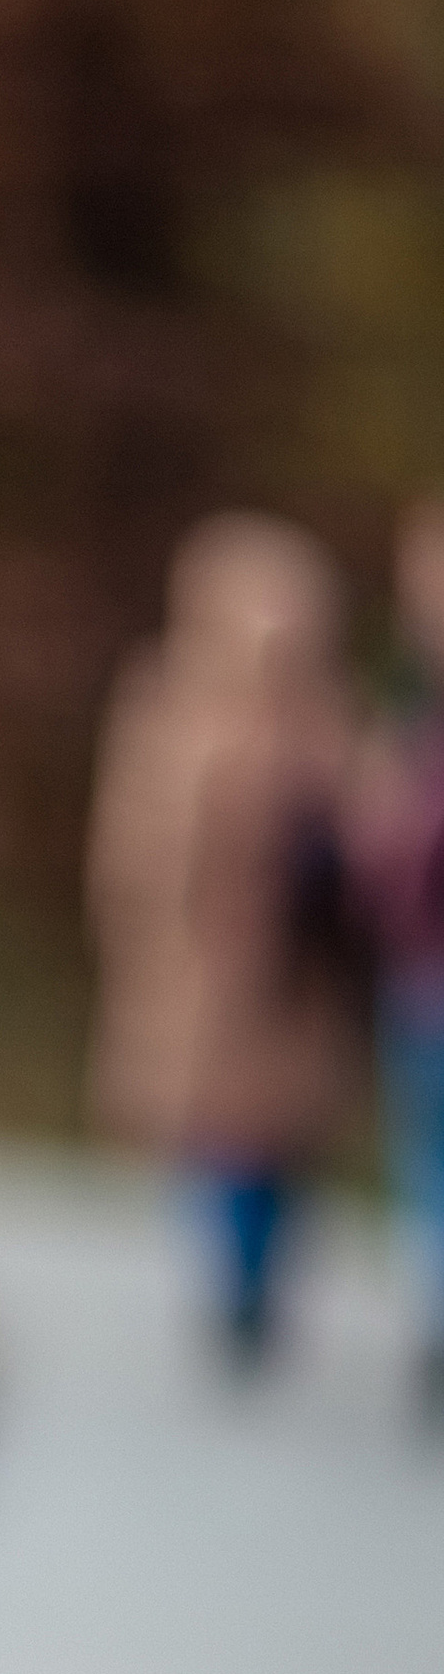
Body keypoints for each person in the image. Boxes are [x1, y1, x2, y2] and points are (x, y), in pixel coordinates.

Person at [85, 512, 368, 1363]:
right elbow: (135, 838)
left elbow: (361, 838)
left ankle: (254, 1282)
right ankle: (235, 1284)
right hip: (202, 964)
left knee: (274, 1142)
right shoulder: (172, 702)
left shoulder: (322, 717)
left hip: (291, 973)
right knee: (217, 1135)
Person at [353, 497, 444, 1413]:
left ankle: (436, 1310)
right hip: (422, 975)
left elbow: (387, 851)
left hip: (425, 975)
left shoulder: (418, 715)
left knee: (429, 1156)